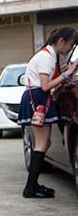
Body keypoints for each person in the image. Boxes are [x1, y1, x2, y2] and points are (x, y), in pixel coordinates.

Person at [17, 27, 78, 198]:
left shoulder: (49, 55)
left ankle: (33, 185)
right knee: (42, 144)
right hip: (38, 98)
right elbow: (45, 86)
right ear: (61, 41)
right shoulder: (46, 57)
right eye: (71, 44)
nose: (69, 49)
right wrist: (67, 73)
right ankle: (30, 188)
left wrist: (63, 76)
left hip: (39, 98)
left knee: (44, 144)